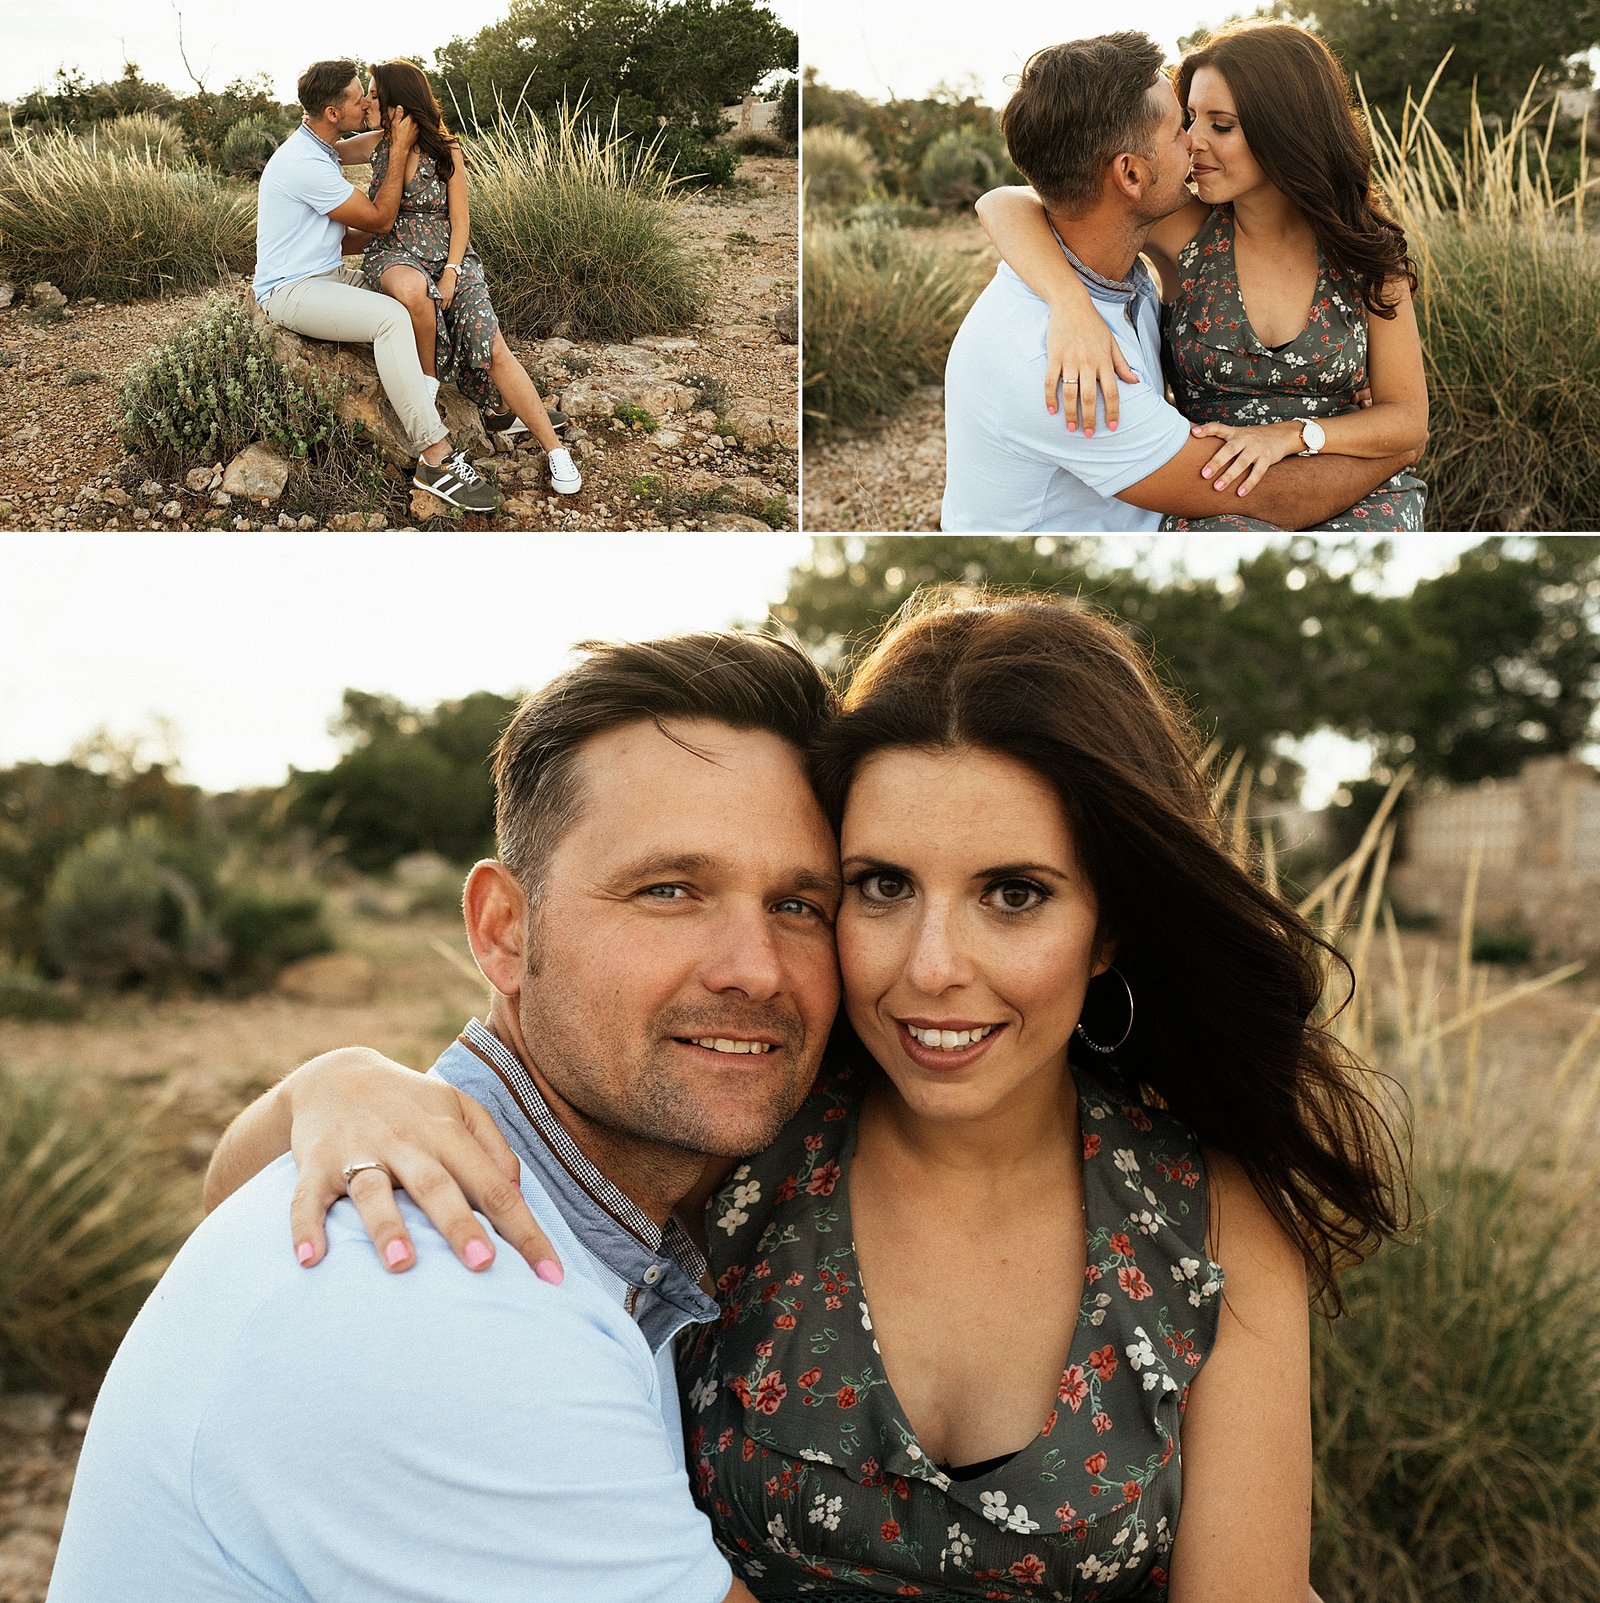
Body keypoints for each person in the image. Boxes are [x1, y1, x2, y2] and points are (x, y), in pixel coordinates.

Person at [205, 591, 1408, 1599]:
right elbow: (251, 1191)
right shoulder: (740, 1128)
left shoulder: (1202, 1211)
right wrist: (336, 1082)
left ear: (1107, 929)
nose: (932, 963)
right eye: (880, 885)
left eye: (1015, 893)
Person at [47, 632, 846, 1603]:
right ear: (504, 932)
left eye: (800, 904)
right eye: (668, 890)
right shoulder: (444, 1281)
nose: (754, 968)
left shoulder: (568, 1209)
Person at [939, 32, 1425, 533]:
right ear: (1132, 174)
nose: (1194, 141)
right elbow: (1007, 200)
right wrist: (1068, 303)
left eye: (1221, 124)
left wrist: (1302, 433)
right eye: (1187, 123)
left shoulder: (1365, 255)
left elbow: (1407, 417)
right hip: (1220, 492)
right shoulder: (1183, 234)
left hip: (1345, 475)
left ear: (1286, 130)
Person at [252, 59, 498, 513]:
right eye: (357, 96)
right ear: (332, 113)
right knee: (391, 319)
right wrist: (400, 148)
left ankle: (482, 392)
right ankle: (434, 459)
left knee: (412, 291)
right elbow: (380, 218)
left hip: (327, 273)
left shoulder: (322, 148)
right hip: (292, 289)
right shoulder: (306, 163)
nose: (367, 101)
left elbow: (355, 233)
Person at [357, 60, 582, 497]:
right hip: (396, 253)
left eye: (373, 93)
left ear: (398, 103)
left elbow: (460, 222)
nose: (367, 101)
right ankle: (429, 399)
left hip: (450, 257)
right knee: (413, 293)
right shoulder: (377, 144)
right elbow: (323, 145)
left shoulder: (447, 148)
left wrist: (452, 273)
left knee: (492, 345)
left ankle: (555, 450)